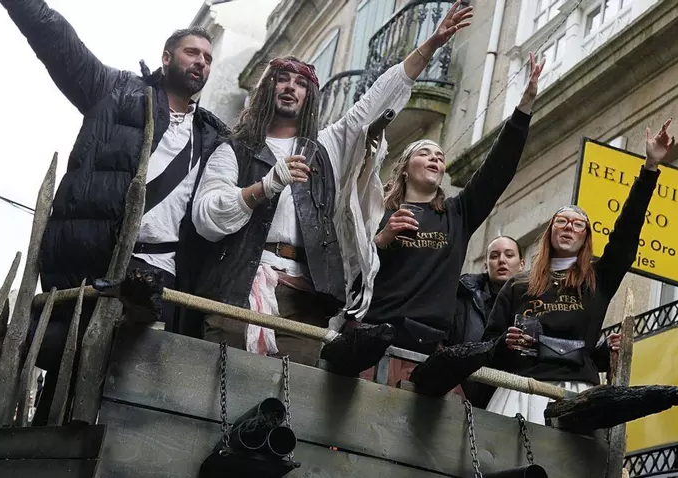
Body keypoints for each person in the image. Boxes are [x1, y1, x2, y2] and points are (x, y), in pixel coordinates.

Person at [192, 2, 474, 366]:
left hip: (304, 299)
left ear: (309, 96)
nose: (291, 87)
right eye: (282, 79)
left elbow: (376, 99)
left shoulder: (326, 146)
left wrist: (430, 45)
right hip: (237, 288)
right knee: (221, 383)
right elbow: (207, 218)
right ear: (266, 89)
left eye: (300, 83)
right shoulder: (234, 150)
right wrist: (265, 186)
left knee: (292, 393)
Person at [0, 0, 229, 424]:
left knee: (135, 392)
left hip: (161, 271)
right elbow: (57, 40)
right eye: (191, 52)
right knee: (68, 382)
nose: (201, 62)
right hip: (97, 262)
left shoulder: (214, 136)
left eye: (208, 58)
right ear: (166, 58)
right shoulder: (116, 91)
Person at [344, 51, 542, 358]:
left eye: (439, 156)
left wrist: (524, 109)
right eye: (424, 154)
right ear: (404, 168)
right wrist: (382, 239)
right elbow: (349, 272)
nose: (434, 159)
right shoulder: (377, 213)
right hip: (369, 334)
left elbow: (497, 169)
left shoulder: (457, 214)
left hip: (424, 344)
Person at [482, 118, 675, 424]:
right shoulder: (517, 285)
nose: (569, 227)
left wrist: (650, 168)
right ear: (550, 232)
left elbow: (625, 235)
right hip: (519, 390)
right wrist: (506, 341)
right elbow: (487, 345)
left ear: (586, 238)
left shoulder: (597, 279)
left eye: (578, 224)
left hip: (576, 393)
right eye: (562, 221)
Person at [452, 236, 619, 408]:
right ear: (485, 265)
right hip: (477, 391)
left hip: (525, 387)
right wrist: (453, 383)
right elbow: (469, 347)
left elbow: (573, 350)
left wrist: (604, 351)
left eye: (509, 255)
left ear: (522, 264)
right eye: (494, 256)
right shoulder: (464, 298)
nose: (501, 260)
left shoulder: (537, 293)